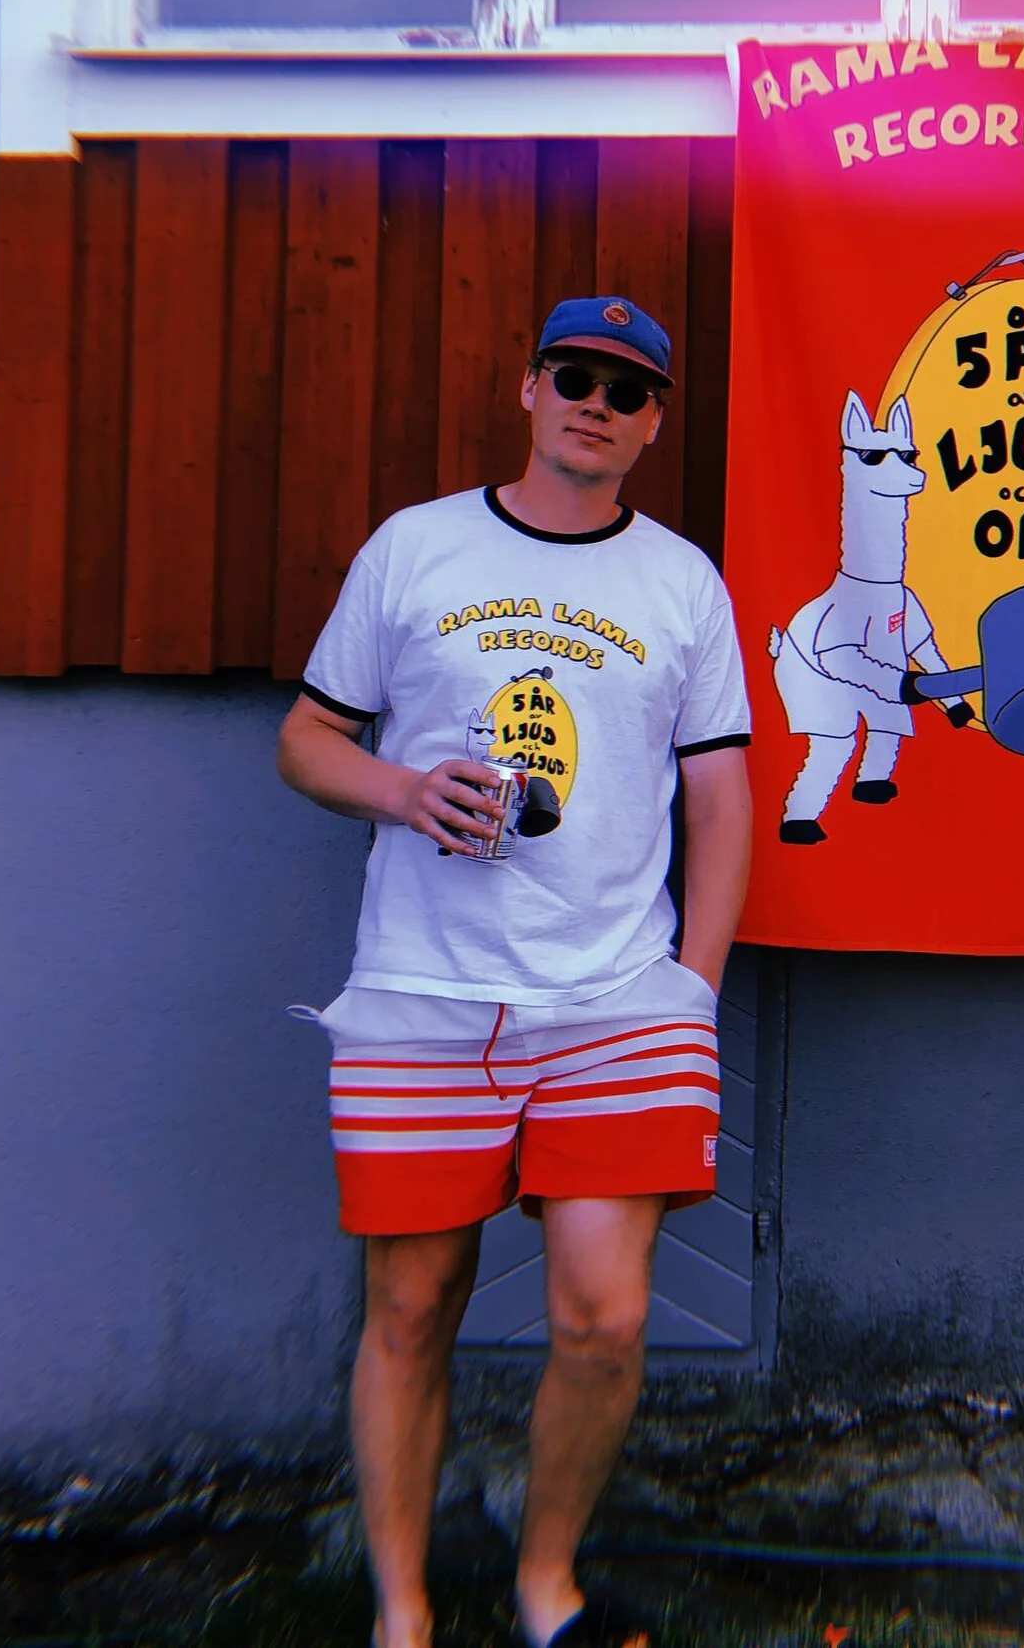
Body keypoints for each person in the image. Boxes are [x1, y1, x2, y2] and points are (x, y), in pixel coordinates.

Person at [277, 297, 753, 1648]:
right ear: (529, 388)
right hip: (423, 995)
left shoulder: (681, 583)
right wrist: (404, 789)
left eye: (628, 388)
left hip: (618, 1000)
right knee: (412, 1302)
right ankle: (404, 1613)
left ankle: (548, 1589)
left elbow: (723, 799)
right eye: (575, 374)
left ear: (653, 424)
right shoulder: (416, 547)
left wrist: (693, 990)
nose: (598, 401)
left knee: (604, 1319)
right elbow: (306, 739)